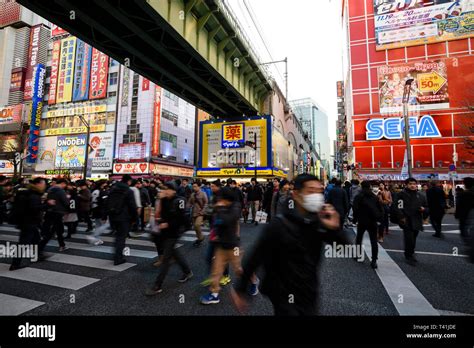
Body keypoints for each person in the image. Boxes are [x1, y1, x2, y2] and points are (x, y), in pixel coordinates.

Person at [231, 174, 341, 316]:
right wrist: (241, 289)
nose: (316, 195)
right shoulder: (279, 224)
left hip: (309, 288)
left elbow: (342, 246)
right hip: (283, 291)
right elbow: (256, 256)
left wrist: (334, 228)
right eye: (310, 191)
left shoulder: (317, 220)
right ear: (296, 194)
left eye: (319, 191)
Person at [146, 182, 193, 295]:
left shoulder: (180, 201)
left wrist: (168, 224)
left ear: (173, 190)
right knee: (174, 252)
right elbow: (159, 215)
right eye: (163, 189)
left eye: (166, 189)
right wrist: (160, 201)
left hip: (173, 232)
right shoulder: (163, 200)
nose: (164, 191)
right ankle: (187, 271)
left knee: (166, 259)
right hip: (164, 232)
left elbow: (181, 218)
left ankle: (157, 285)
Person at [200, 187, 242, 305]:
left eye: (221, 198)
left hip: (233, 246)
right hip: (221, 244)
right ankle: (214, 294)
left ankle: (253, 281)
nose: (218, 200)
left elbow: (227, 220)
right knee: (216, 270)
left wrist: (220, 208)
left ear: (226, 199)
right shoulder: (221, 206)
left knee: (238, 269)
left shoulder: (235, 206)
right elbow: (215, 220)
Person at [10, 178, 47, 271]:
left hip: (27, 221)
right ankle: (15, 264)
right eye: (43, 184)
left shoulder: (28, 192)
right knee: (23, 243)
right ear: (38, 184)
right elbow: (34, 209)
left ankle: (38, 255)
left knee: (36, 239)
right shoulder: (34, 195)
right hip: (29, 222)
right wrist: (47, 205)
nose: (44, 186)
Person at [392, 178, 427, 265]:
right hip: (406, 219)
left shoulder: (420, 195)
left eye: (414, 184)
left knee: (414, 238)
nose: (412, 185)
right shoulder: (401, 194)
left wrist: (424, 210)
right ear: (406, 185)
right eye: (410, 184)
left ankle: (411, 252)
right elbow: (397, 206)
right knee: (409, 238)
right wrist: (401, 217)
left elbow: (426, 206)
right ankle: (408, 255)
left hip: (417, 219)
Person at [107, 175, 138, 265]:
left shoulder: (113, 189)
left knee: (117, 236)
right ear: (128, 181)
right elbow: (132, 206)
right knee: (121, 237)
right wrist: (135, 218)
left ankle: (116, 254)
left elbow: (107, 202)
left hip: (113, 216)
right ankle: (118, 258)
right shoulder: (129, 190)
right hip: (124, 217)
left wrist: (105, 215)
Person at [353, 181, 384, 269]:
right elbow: (380, 208)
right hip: (373, 221)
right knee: (373, 241)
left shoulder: (359, 196)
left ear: (361, 187)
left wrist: (355, 220)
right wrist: (380, 220)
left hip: (362, 221)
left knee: (359, 238)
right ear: (370, 187)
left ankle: (358, 255)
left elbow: (355, 209)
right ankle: (374, 260)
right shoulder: (374, 196)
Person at [39, 178, 70, 254]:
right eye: (65, 185)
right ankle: (40, 247)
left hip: (50, 211)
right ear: (62, 183)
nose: (65, 186)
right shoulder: (60, 191)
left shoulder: (50, 190)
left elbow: (46, 199)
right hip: (58, 212)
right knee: (53, 231)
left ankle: (62, 245)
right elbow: (66, 202)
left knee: (56, 230)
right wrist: (67, 198)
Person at [455, 177, 474, 250]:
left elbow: (459, 205)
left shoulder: (463, 194)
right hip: (470, 214)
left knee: (463, 228)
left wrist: (457, 214)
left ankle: (468, 243)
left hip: (465, 215)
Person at [189, 181, 208, 246]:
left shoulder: (203, 193)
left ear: (199, 187)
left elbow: (206, 203)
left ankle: (201, 237)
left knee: (197, 225)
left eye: (195, 186)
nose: (194, 188)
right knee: (195, 227)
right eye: (193, 186)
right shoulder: (192, 194)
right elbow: (190, 203)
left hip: (200, 213)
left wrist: (202, 211)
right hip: (194, 212)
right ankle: (199, 239)